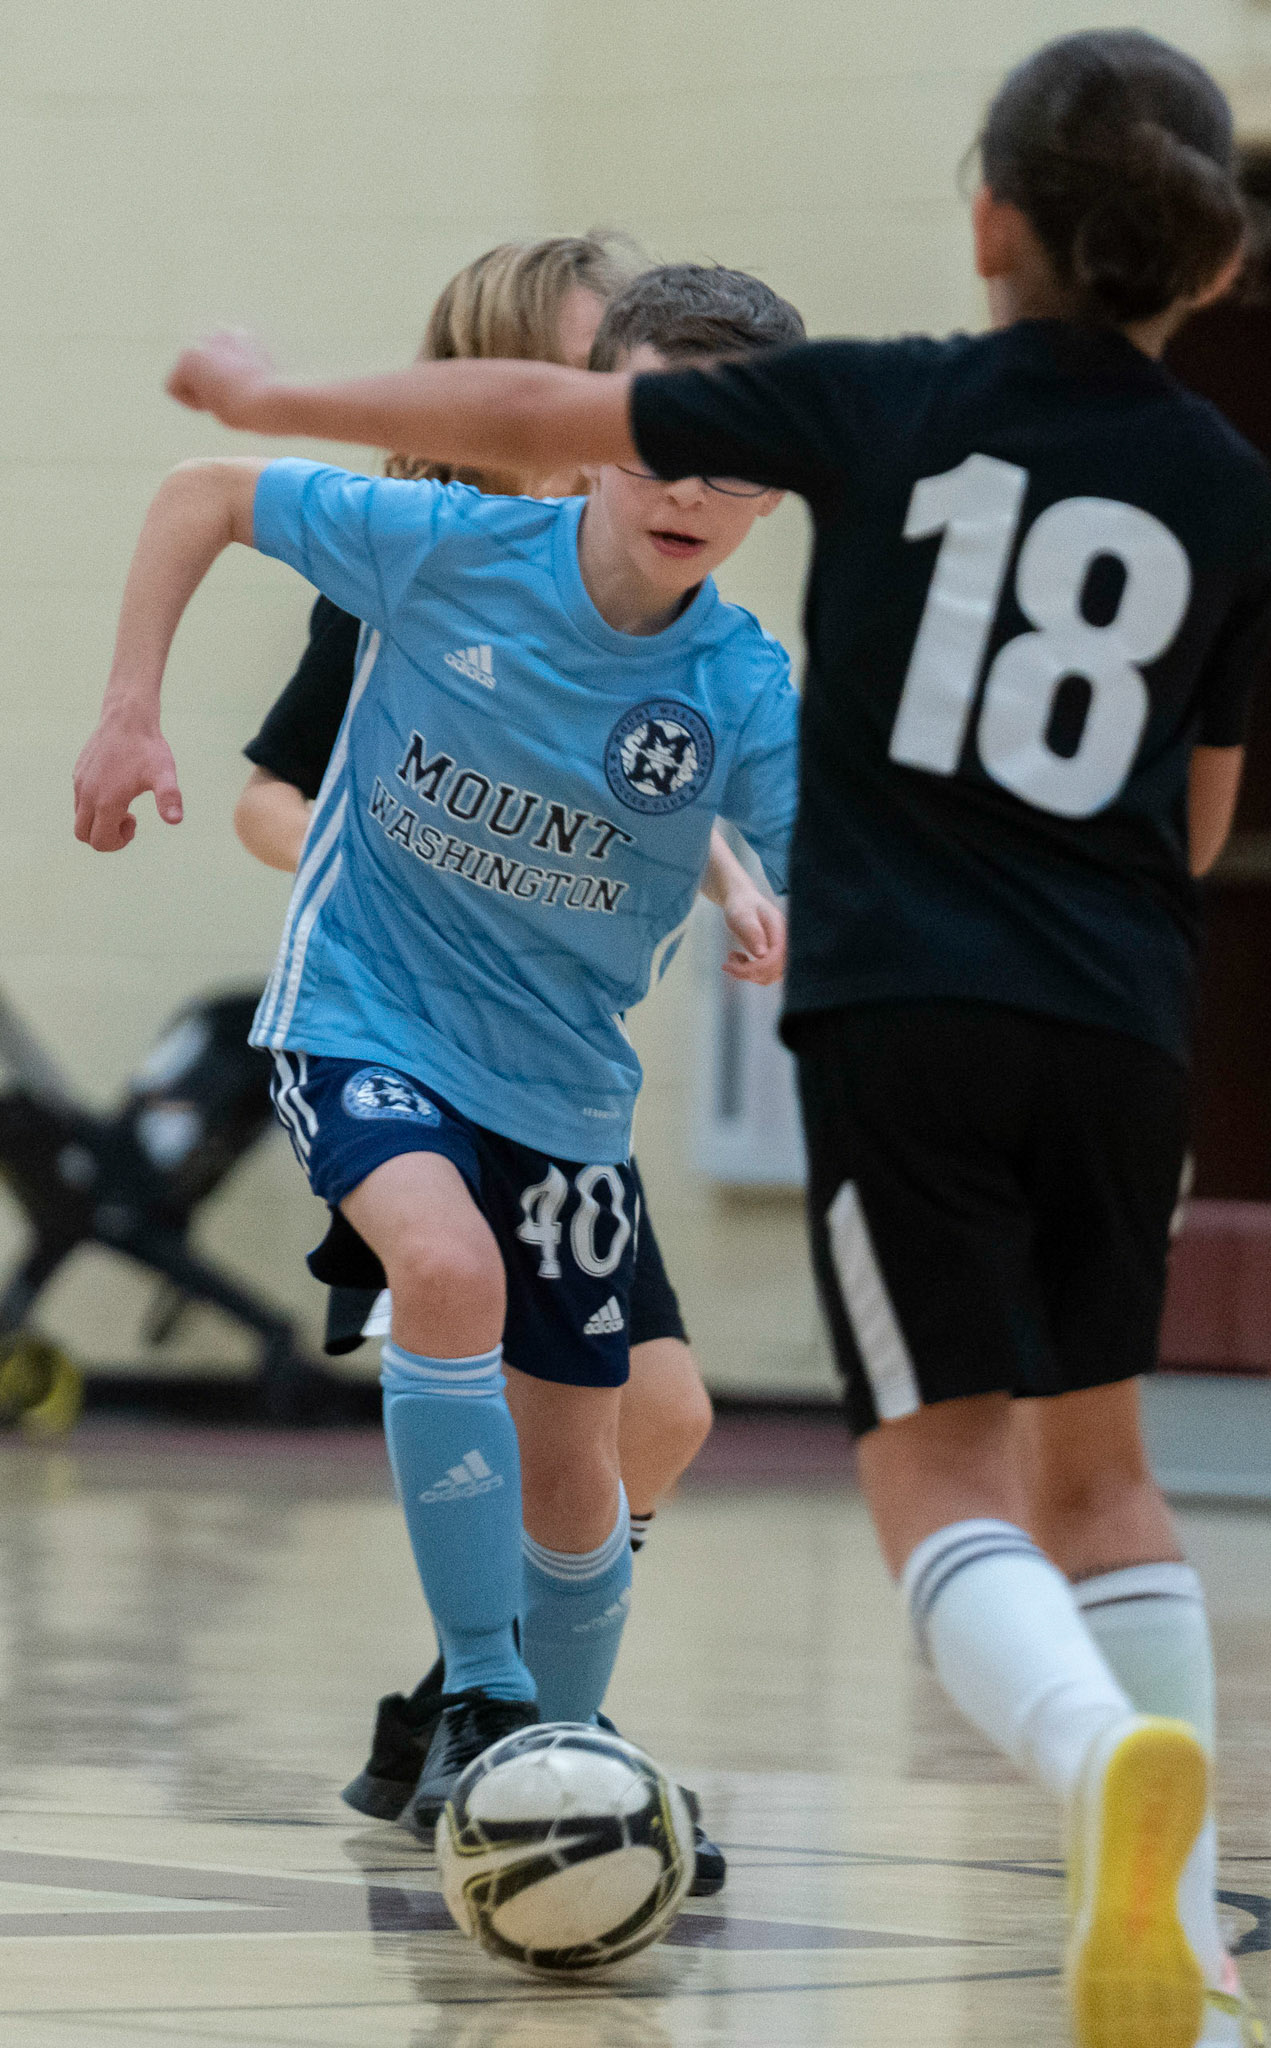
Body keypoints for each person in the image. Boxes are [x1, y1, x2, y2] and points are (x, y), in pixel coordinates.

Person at [153, 32, 1271, 2047]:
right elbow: (1198, 822)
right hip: (1086, 1009)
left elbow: (531, 420)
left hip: (795, 1036)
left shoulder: (873, 443)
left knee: (790, 1455)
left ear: (985, 225)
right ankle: (1143, 1899)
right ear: (1203, 275)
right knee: (1092, 1480)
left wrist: (756, 889)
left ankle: (573, 1728)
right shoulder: (1223, 478)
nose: (682, 472)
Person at [75, 262, 805, 1858]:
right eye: (655, 443)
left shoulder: (741, 685)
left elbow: (840, 863)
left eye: (731, 462)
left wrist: (798, 911)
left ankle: (549, 1735)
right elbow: (205, 487)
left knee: (605, 1445)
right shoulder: (445, 551)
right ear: (587, 422)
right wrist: (130, 714)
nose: (687, 488)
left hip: (561, 1083)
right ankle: (483, 1691)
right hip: (368, 1011)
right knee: (444, 1270)